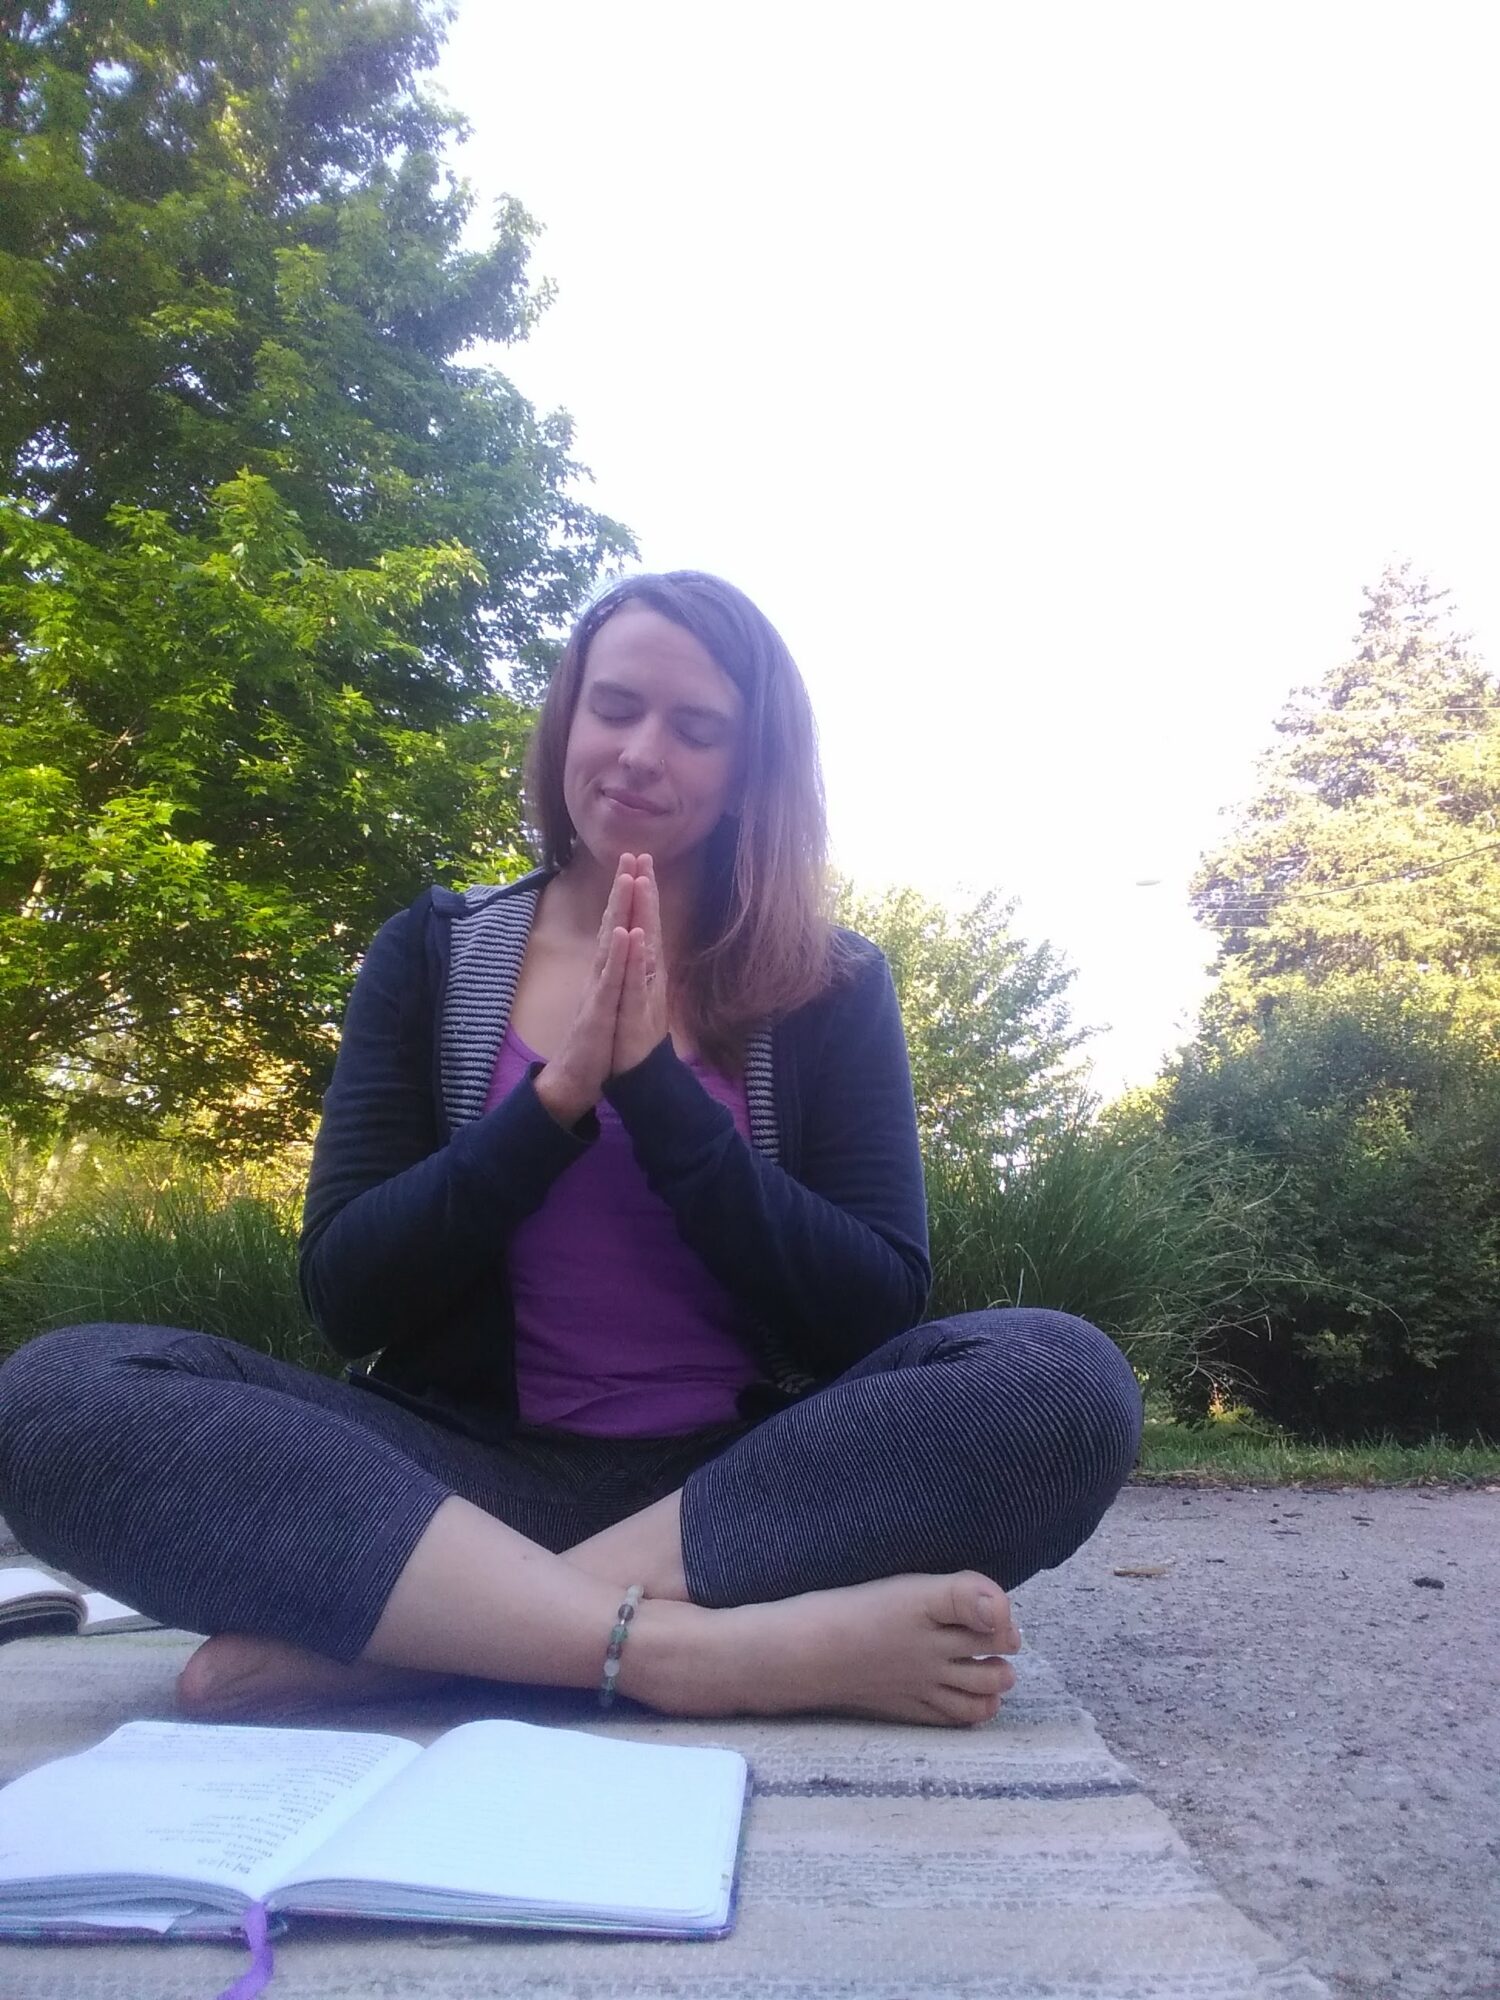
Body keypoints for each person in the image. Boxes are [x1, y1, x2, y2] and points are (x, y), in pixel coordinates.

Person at [0, 571, 1142, 1726]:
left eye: (695, 729)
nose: (641, 752)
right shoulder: (435, 954)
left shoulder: (830, 984)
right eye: (616, 707)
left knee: (1062, 1380)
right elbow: (348, 1296)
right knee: (54, 1397)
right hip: (452, 1484)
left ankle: (427, 1641)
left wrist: (657, 1090)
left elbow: (871, 1311)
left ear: (750, 770)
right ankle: (697, 1654)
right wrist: (552, 1102)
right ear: (567, 720)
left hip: (735, 1493)